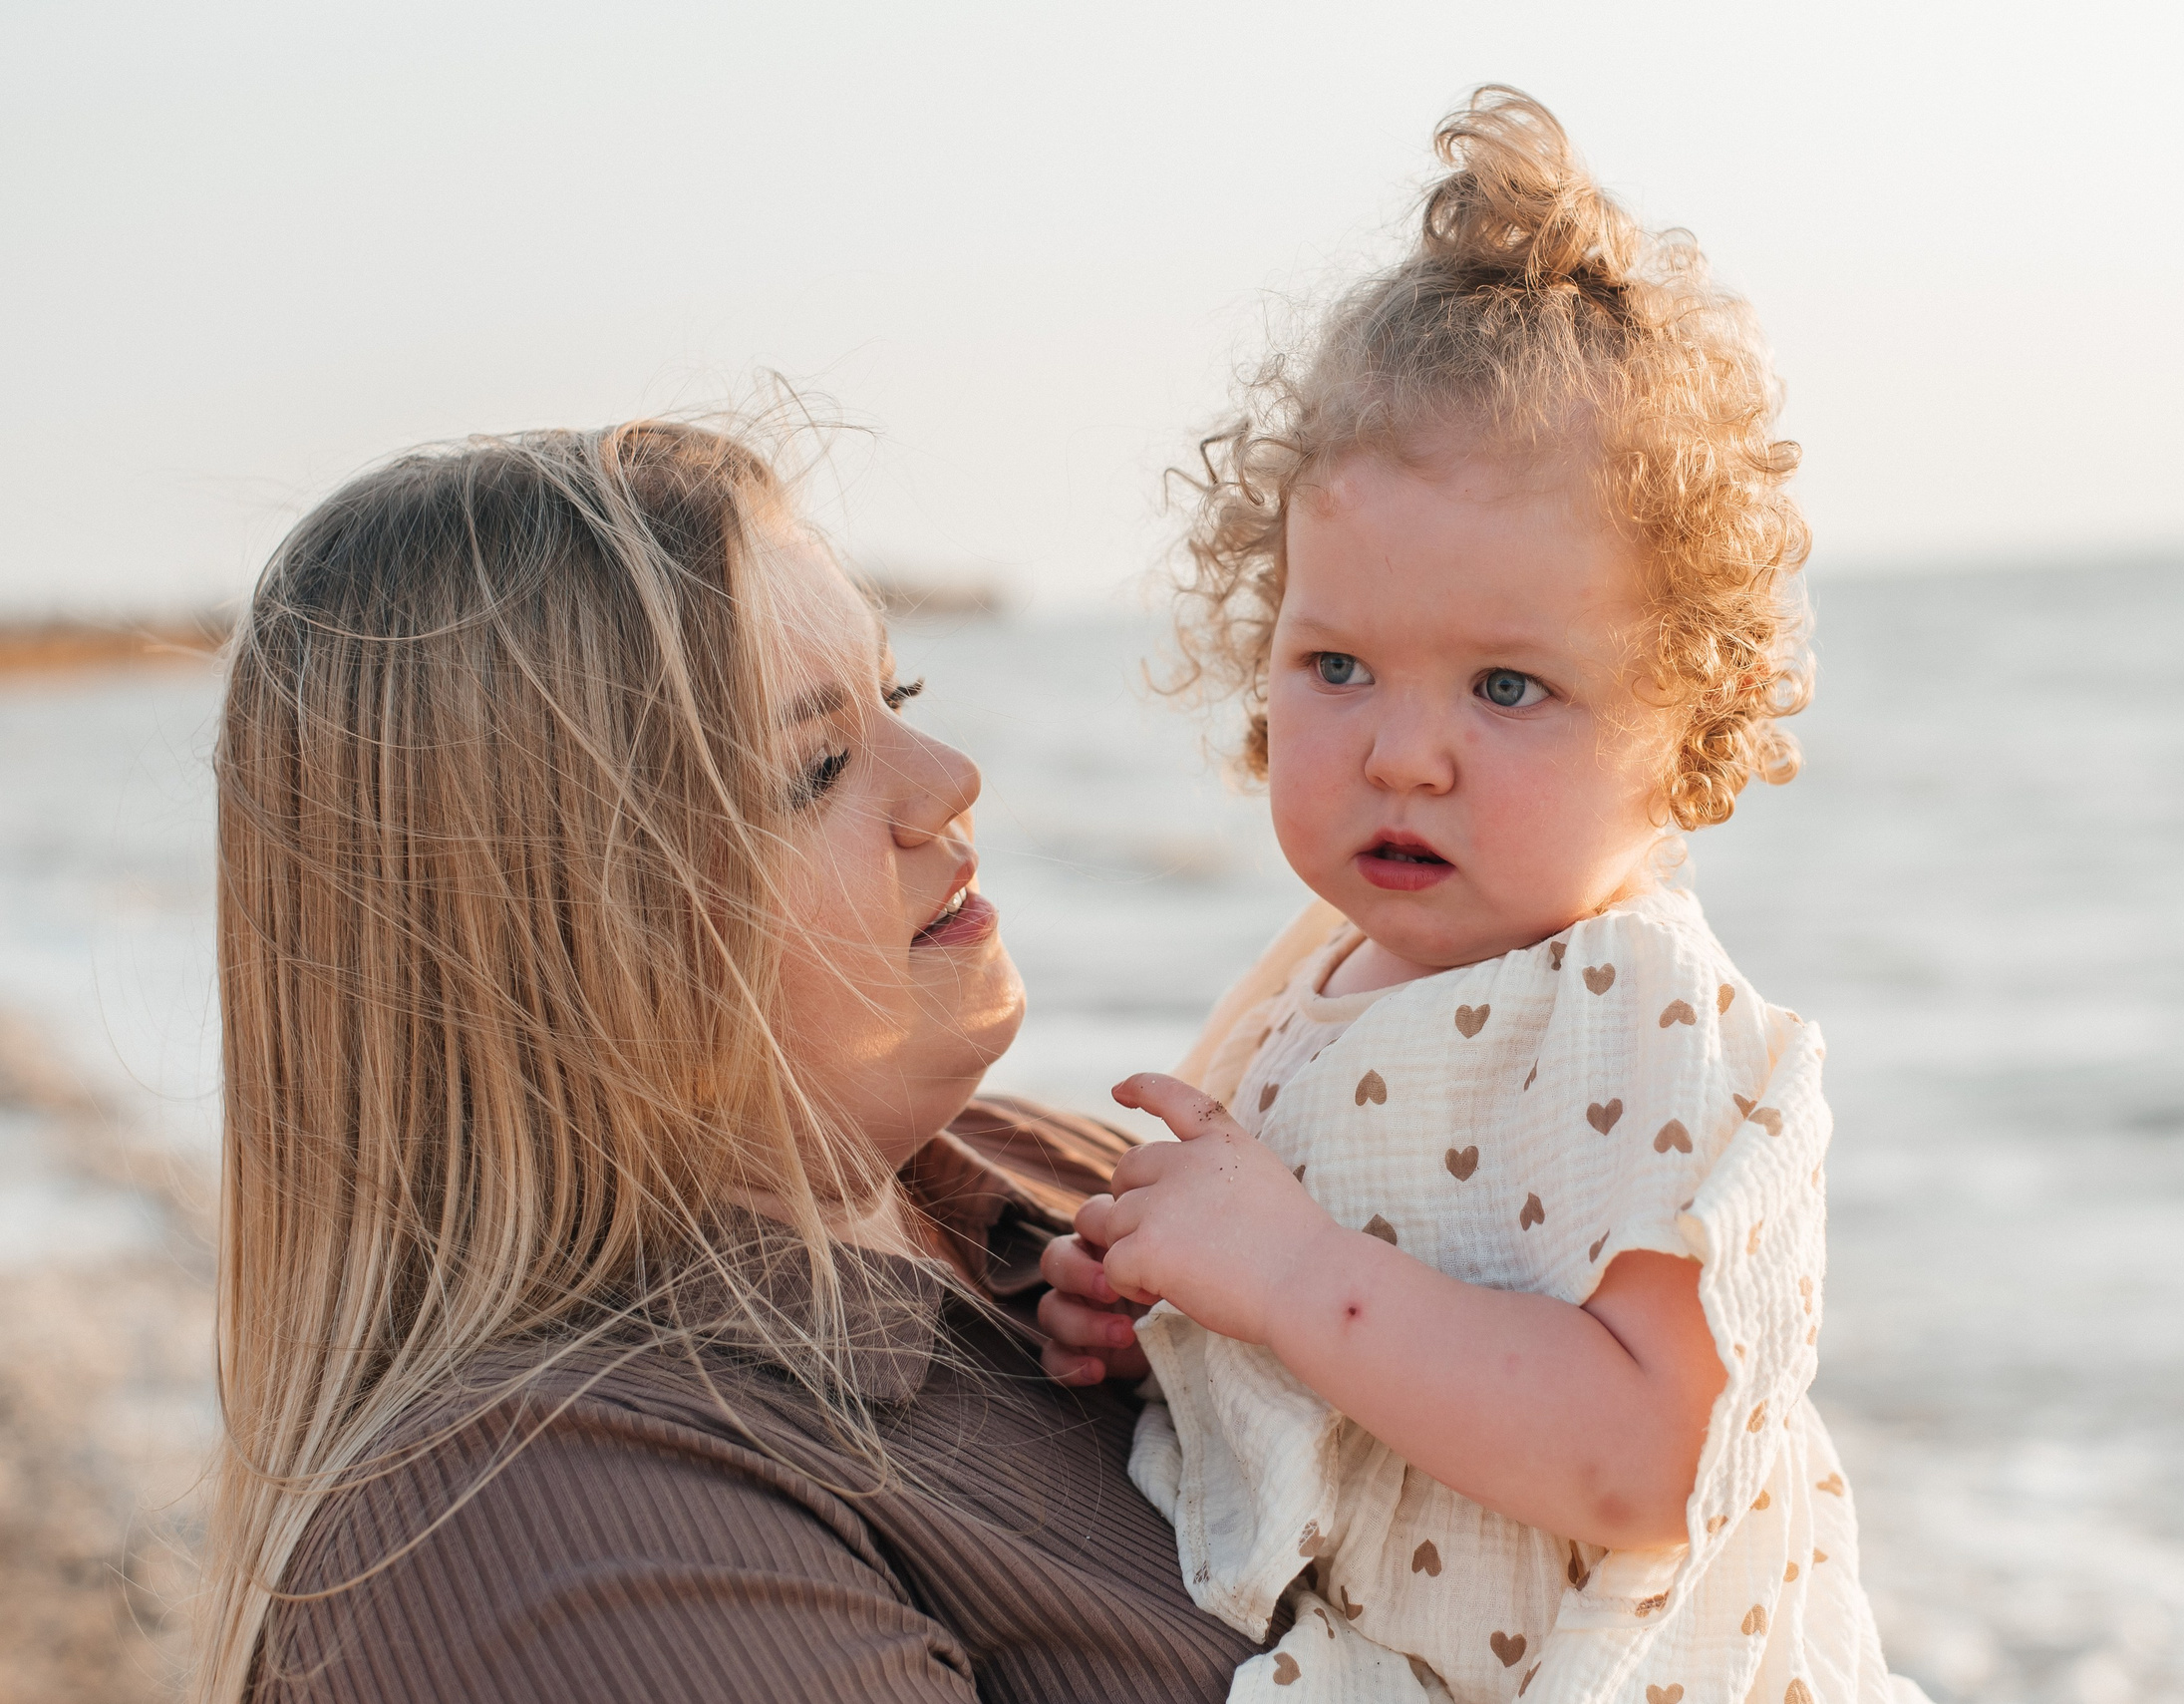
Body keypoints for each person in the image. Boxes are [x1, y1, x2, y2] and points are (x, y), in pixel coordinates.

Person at [1035, 90, 1916, 1703]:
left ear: (1687, 723)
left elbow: (1646, 1452)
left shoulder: (1634, 1001)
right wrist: (1170, 1309)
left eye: (1508, 684)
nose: (1406, 752)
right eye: (1339, 663)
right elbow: (1336, 1333)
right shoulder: (1325, 964)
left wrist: (1289, 1276)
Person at [196, 421, 1270, 1702]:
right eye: (814, 767)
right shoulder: (549, 1522)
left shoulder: (1075, 1177)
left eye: (899, 698)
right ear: (560, 934)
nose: (949, 779)